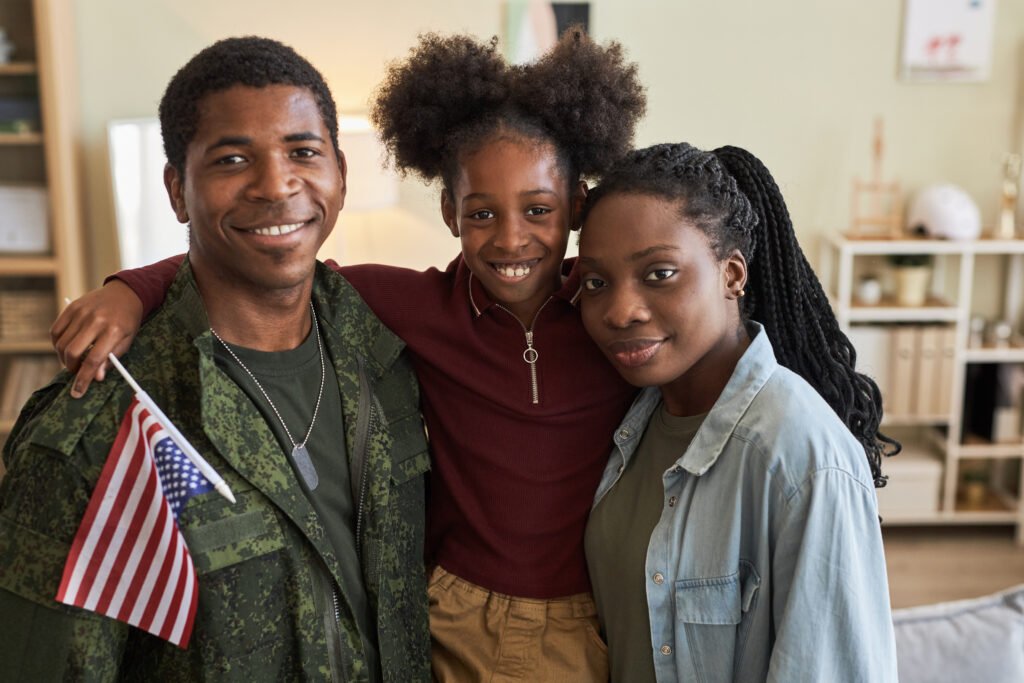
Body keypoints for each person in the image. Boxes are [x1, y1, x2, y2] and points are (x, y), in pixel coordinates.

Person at [50, 29, 646, 681]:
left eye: (538, 209)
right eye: (481, 213)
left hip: (590, 612)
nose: (511, 238)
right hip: (450, 612)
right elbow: (262, 261)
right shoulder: (410, 303)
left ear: (577, 206)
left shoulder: (611, 315)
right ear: (449, 210)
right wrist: (129, 291)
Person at [0, 36, 431, 681]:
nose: (276, 184)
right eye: (233, 160)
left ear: (341, 172)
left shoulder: (386, 349)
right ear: (178, 190)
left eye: (303, 152)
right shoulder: (106, 424)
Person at [576, 143, 900, 682]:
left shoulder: (800, 457)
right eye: (596, 282)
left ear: (731, 275)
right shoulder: (627, 426)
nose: (619, 310)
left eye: (659, 273)